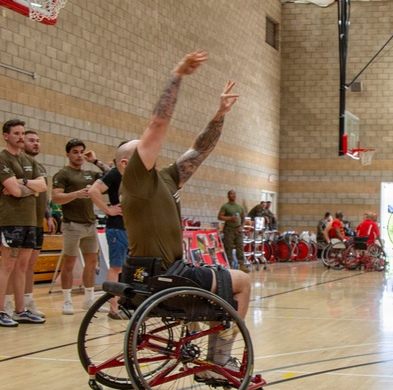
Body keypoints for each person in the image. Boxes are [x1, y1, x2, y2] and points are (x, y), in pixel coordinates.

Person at [116, 50, 251, 323]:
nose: (148, 150)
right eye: (139, 149)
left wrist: (220, 114)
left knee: (219, 283)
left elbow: (199, 150)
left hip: (170, 271)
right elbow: (157, 123)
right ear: (123, 163)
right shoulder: (135, 181)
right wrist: (177, 76)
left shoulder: (163, 177)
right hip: (166, 275)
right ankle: (221, 357)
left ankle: (211, 350)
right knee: (243, 281)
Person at [51, 139, 110, 315]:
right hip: (72, 225)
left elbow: (112, 174)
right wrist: (76, 194)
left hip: (90, 224)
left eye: (81, 152)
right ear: (68, 154)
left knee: (91, 262)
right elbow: (56, 198)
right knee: (69, 262)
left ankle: (89, 299)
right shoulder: (62, 174)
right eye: (75, 152)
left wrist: (95, 161)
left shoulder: (89, 174)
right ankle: (67, 300)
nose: (79, 155)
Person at [0, 119, 48, 327]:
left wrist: (24, 182)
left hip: (30, 221)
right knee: (7, 265)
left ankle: (21, 310)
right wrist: (29, 188)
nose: (20, 137)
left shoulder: (31, 161)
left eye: (22, 133)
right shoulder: (2, 159)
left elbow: (43, 186)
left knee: (22, 266)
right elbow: (15, 191)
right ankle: (1, 310)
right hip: (11, 220)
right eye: (16, 133)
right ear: (6, 136)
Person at [89, 143, 130, 318]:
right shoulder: (114, 174)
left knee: (127, 268)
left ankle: (124, 304)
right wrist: (108, 210)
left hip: (130, 228)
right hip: (117, 228)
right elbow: (93, 191)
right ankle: (114, 308)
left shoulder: (132, 176)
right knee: (116, 267)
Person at [217, 189, 248, 272]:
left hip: (238, 229)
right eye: (231, 194)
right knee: (228, 247)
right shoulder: (225, 206)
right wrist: (230, 218)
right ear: (228, 196)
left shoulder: (239, 207)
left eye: (234, 194)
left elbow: (243, 218)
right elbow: (220, 217)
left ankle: (241, 264)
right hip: (229, 229)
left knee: (240, 247)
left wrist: (242, 226)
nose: (233, 195)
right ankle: (229, 264)